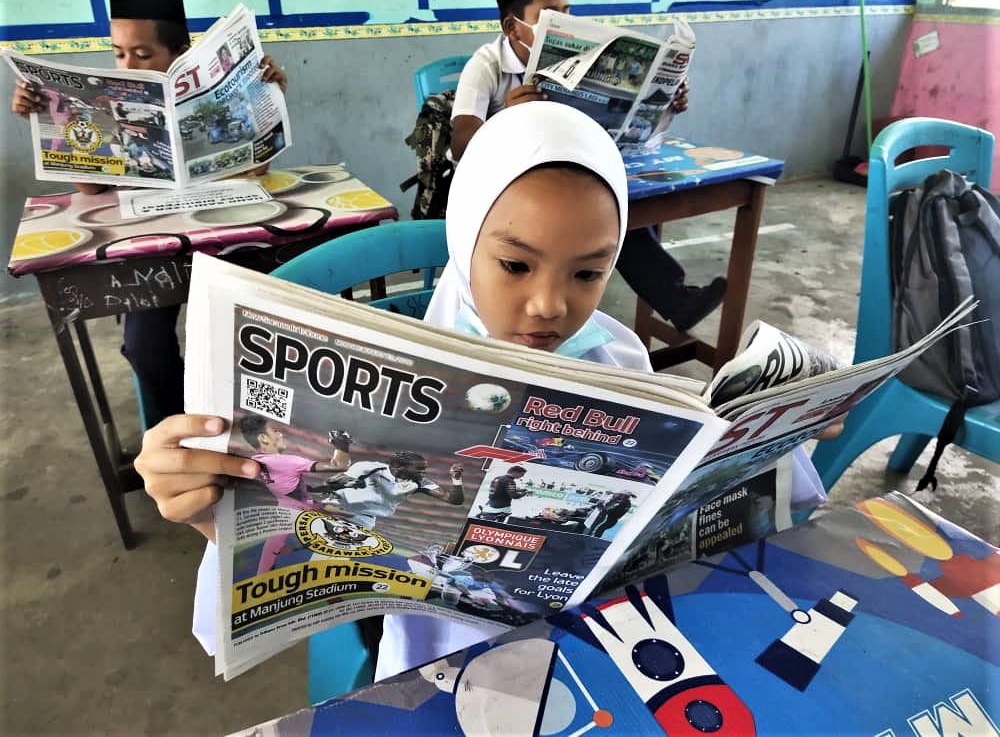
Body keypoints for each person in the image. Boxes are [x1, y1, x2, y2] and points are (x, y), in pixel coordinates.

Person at [136, 101, 831, 685]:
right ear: (466, 239)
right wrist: (208, 506)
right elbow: (299, 542)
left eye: (588, 274)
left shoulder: (615, 356)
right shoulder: (392, 395)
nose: (550, 304)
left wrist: (779, 437)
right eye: (515, 264)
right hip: (450, 661)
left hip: (607, 644)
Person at [9, 0, 288, 423]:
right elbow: (91, 190)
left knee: (252, 330)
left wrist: (267, 96)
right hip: (152, 248)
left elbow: (256, 169)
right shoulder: (105, 103)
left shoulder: (211, 98)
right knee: (143, 345)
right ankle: (179, 429)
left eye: (142, 54)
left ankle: (249, 422)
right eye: (119, 54)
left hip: (222, 235)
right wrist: (45, 120)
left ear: (181, 54)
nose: (128, 66)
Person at [449, 0, 726, 334]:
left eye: (567, 11)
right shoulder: (486, 66)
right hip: (503, 193)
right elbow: (460, 143)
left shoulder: (582, 61)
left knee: (605, 214)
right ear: (512, 27)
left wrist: (665, 101)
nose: (563, 21)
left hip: (560, 180)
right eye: (549, 15)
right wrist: (508, 118)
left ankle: (674, 298)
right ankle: (675, 299)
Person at [314, 451, 465, 529]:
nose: (423, 472)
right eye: (419, 469)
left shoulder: (420, 482)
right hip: (335, 509)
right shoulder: (368, 468)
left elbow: (454, 500)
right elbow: (334, 482)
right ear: (399, 467)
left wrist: (456, 479)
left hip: (364, 520)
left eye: (424, 469)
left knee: (334, 555)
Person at [236, 414, 351, 505]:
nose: (280, 435)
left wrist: (325, 488)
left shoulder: (255, 462)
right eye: (275, 431)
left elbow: (288, 488)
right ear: (263, 438)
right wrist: (341, 443)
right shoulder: (289, 462)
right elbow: (340, 466)